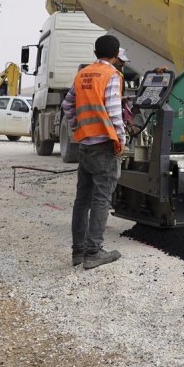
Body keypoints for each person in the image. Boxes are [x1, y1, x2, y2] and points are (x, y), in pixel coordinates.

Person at [61, 34, 126, 270]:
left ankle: (78, 252)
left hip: (85, 145)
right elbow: (114, 111)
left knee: (82, 200)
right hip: (104, 145)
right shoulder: (112, 75)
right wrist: (121, 138)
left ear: (95, 52)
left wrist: (77, 126)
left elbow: (67, 105)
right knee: (101, 199)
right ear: (116, 54)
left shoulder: (82, 74)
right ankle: (93, 252)